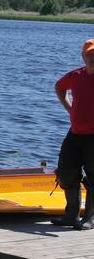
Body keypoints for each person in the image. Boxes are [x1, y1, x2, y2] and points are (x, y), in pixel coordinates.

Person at [51, 39, 94, 230]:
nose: (92, 58)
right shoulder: (76, 75)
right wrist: (69, 109)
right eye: (89, 54)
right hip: (75, 133)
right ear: (83, 56)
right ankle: (71, 216)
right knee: (66, 172)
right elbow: (59, 87)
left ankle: (90, 218)